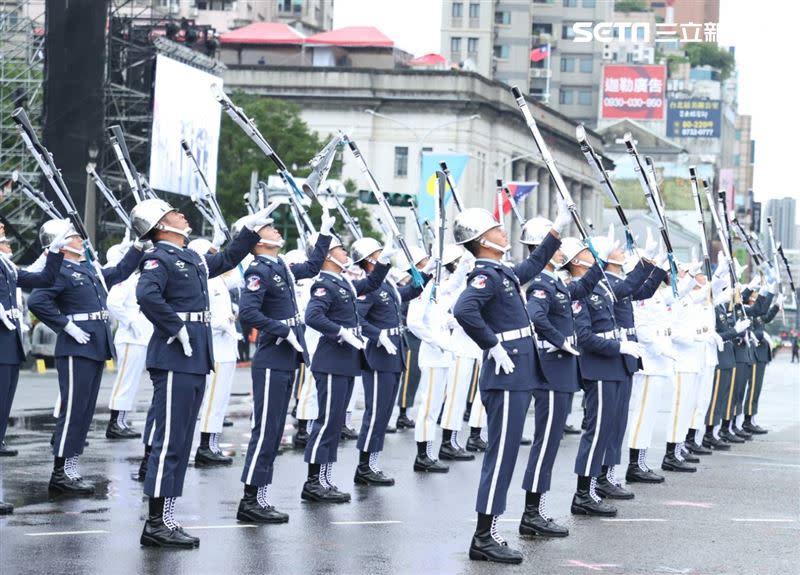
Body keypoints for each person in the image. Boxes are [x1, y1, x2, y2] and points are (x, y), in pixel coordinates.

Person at [133, 198, 272, 548]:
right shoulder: (158, 257)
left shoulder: (190, 257)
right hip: (174, 354)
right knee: (168, 443)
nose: (182, 215)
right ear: (162, 225)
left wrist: (248, 230)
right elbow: (146, 295)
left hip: (194, 356)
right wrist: (173, 326)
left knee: (182, 440)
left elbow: (225, 259)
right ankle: (155, 522)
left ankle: (167, 517)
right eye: (174, 213)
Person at [454, 200, 569, 565]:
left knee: (506, 456)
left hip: (517, 373)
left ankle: (489, 532)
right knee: (501, 457)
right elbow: (463, 309)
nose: (504, 232)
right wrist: (492, 344)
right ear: (483, 240)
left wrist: (557, 229)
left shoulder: (501, 272)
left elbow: (535, 264)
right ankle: (484, 536)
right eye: (497, 229)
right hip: (506, 375)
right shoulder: (484, 276)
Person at [29, 220, 143, 496]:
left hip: (93, 345)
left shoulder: (86, 268)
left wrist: (139, 246)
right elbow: (36, 301)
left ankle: (71, 466)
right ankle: (61, 472)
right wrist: (64, 325)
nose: (80, 238)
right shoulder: (57, 270)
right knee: (73, 411)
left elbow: (117, 272)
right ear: (60, 243)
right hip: (75, 346)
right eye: (73, 235)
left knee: (84, 411)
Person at [236, 214, 334, 522]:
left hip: (286, 356)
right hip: (271, 356)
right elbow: (248, 312)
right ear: (258, 238)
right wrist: (282, 330)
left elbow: (312, 267)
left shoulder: (279, 267)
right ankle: (250, 500)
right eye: (269, 227)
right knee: (265, 430)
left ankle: (261, 497)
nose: (276, 228)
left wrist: (324, 234)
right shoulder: (258, 270)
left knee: (275, 430)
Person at [518, 227, 603, 538]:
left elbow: (581, 289)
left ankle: (537, 511)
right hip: (552, 371)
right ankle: (532, 513)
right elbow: (536, 317)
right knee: (545, 445)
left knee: (551, 444)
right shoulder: (540, 284)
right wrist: (560, 342)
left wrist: (599, 262)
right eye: (554, 247)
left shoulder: (558, 283)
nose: (561, 250)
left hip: (563, 371)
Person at [301, 233, 392, 503]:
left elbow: (372, 282)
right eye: (340, 248)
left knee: (335, 423)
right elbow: (313, 316)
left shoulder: (344, 283)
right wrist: (340, 332)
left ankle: (325, 479)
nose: (344, 252)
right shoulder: (324, 284)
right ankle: (313, 481)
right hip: (331, 360)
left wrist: (384, 262)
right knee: (326, 422)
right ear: (327, 256)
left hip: (345, 360)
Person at [569, 241, 645, 517]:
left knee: (608, 430)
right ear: (576, 261)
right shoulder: (580, 292)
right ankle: (583, 494)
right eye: (587, 252)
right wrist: (618, 347)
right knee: (596, 432)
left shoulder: (599, 288)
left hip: (612, 365)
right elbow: (585, 337)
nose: (592, 255)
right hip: (598, 367)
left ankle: (595, 486)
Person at [352, 237, 430, 485]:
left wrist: (428, 272)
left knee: (385, 412)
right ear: (368, 260)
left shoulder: (386, 284)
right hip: (378, 356)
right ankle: (364, 466)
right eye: (378, 253)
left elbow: (409, 292)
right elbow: (358, 320)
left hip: (393, 354)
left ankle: (372, 463)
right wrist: (378, 336)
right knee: (376, 413)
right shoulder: (368, 287)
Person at [0, 222, 67, 514]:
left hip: (10, 349)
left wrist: (53, 251)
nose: (6, 239)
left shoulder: (7, 267)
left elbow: (43, 277)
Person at [187, 237, 242, 467]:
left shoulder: (216, 278)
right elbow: (203, 314)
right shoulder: (203, 280)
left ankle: (213, 443)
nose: (216, 254)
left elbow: (238, 276)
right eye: (211, 252)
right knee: (212, 400)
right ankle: (205, 446)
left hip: (227, 348)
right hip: (215, 348)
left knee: (220, 400)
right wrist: (224, 322)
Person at [105, 242, 153, 440]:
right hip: (129, 337)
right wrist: (130, 321)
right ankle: (115, 422)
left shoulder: (141, 279)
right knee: (125, 380)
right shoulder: (126, 280)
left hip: (140, 337)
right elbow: (112, 303)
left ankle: (122, 420)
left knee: (132, 382)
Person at [395, 247, 429, 430]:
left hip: (421, 333)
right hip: (410, 334)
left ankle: (405, 411)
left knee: (416, 376)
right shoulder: (409, 284)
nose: (428, 260)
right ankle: (402, 413)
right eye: (424, 259)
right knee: (410, 375)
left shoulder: (423, 281)